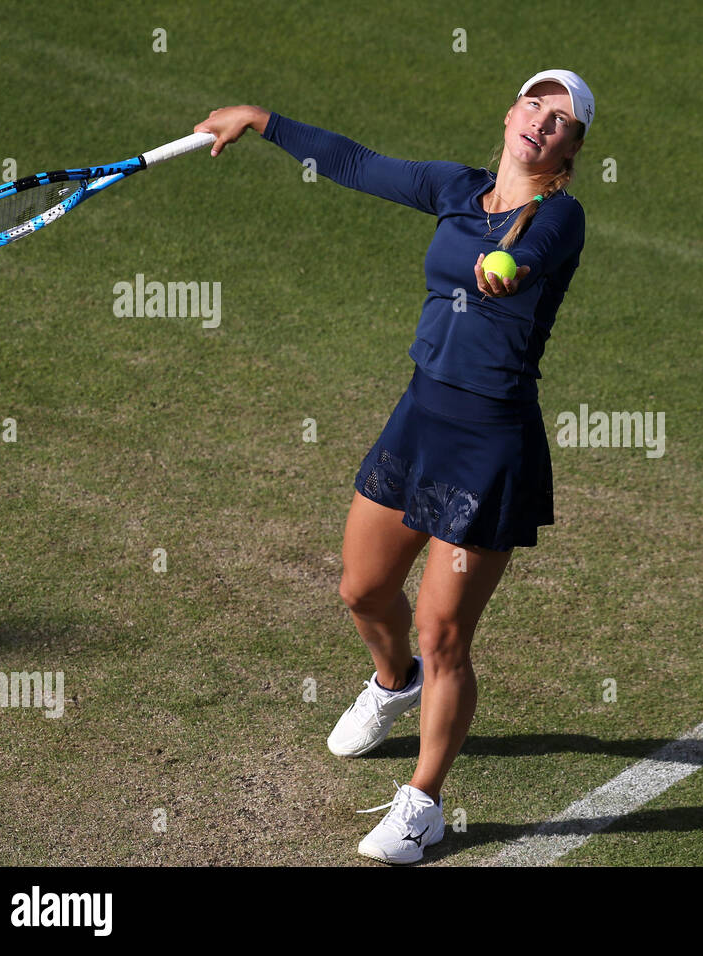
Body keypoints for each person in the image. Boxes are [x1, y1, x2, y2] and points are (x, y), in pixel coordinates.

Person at [194, 69, 593, 864]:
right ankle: (391, 682)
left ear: (571, 147)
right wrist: (262, 119)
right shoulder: (455, 188)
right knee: (363, 589)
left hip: (489, 445)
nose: (540, 123)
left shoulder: (561, 216)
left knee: (444, 634)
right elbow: (356, 163)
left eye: (560, 120)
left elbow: (533, 255)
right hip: (418, 422)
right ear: (510, 112)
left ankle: (424, 805)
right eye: (533, 105)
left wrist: (506, 268)